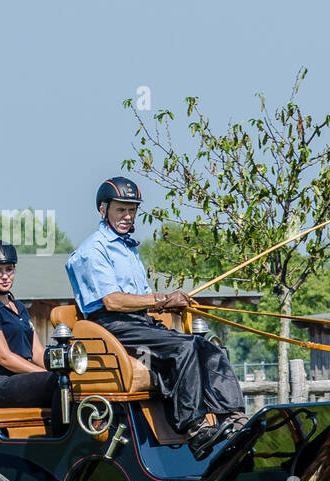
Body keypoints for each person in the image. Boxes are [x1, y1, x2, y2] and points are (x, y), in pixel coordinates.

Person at [65, 176, 247, 460]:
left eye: (132, 210)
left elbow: (142, 298)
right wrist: (161, 299)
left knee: (207, 346)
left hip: (138, 323)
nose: (127, 216)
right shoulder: (93, 250)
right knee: (183, 348)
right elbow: (112, 301)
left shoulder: (127, 248)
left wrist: (169, 305)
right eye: (120, 210)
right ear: (104, 210)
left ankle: (233, 419)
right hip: (112, 327)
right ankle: (195, 428)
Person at [0, 240, 58, 409]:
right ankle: (62, 434)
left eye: (9, 269)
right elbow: (5, 358)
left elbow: (38, 353)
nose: (5, 276)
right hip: (3, 383)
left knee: (71, 380)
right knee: (57, 383)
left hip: (26, 378)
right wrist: (46, 374)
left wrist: (61, 369)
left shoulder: (19, 308)